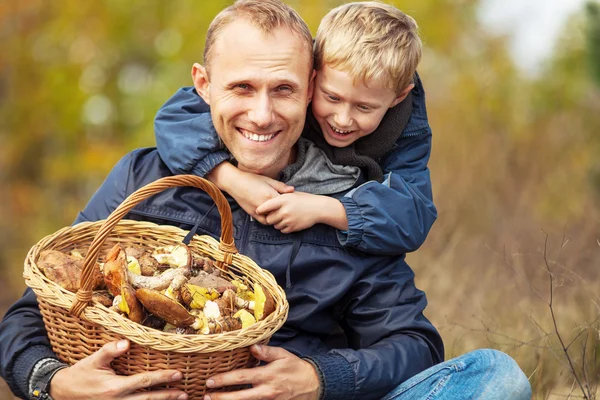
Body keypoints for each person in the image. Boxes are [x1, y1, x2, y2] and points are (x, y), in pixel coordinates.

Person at [0, 1, 532, 399]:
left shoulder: (352, 205)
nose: (261, 115)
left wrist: (320, 379)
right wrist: (55, 383)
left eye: (282, 90)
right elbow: (28, 316)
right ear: (204, 85)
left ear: (310, 87)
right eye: (241, 89)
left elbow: (415, 345)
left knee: (496, 377)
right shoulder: (144, 177)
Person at [155, 2, 436, 255]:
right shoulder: (286, 75)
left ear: (397, 97)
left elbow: (413, 214)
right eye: (332, 97)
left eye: (364, 108)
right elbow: (176, 120)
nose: (341, 119)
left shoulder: (406, 133)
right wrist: (232, 180)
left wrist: (327, 209)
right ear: (313, 77)